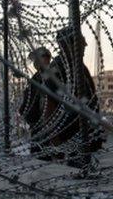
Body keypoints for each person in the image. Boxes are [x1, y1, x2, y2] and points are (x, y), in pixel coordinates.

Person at [42, 27, 101, 170]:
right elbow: (49, 107)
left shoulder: (79, 67)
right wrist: (55, 142)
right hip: (69, 139)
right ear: (68, 45)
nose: (85, 45)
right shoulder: (57, 70)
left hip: (83, 137)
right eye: (81, 41)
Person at [18, 47, 52, 154]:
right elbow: (30, 98)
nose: (35, 63)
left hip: (44, 122)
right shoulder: (37, 77)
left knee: (43, 152)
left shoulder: (48, 76)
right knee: (39, 152)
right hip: (36, 122)